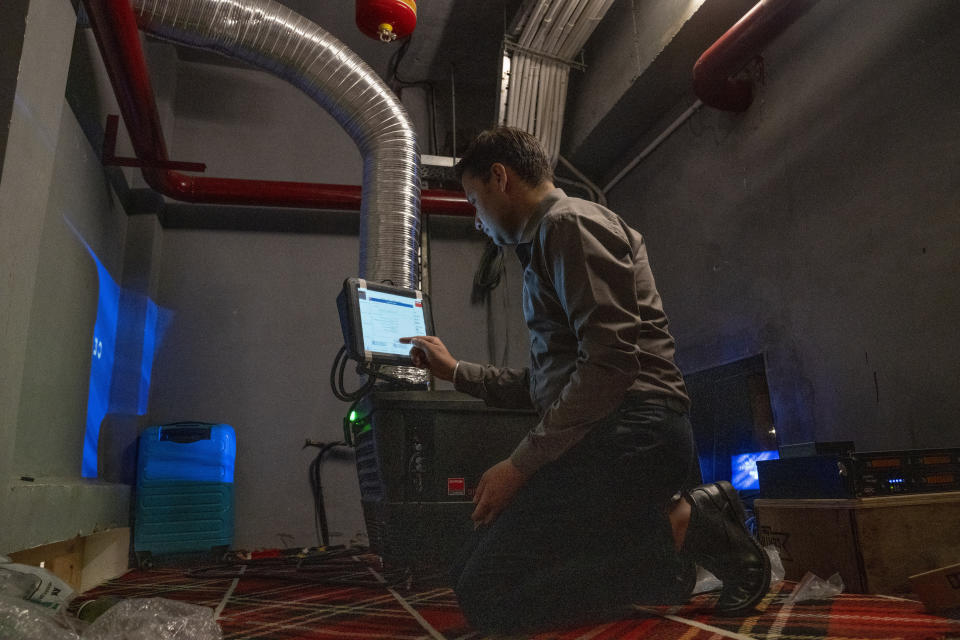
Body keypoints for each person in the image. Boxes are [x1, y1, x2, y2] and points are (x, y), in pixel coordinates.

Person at [400, 127, 770, 633]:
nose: (475, 216)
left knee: (490, 594)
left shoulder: (568, 224)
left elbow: (610, 364)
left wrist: (519, 466)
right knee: (472, 576)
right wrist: (456, 372)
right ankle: (662, 550)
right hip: (607, 432)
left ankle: (683, 527)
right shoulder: (546, 243)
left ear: (500, 178)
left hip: (635, 432)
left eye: (472, 198)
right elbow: (551, 383)